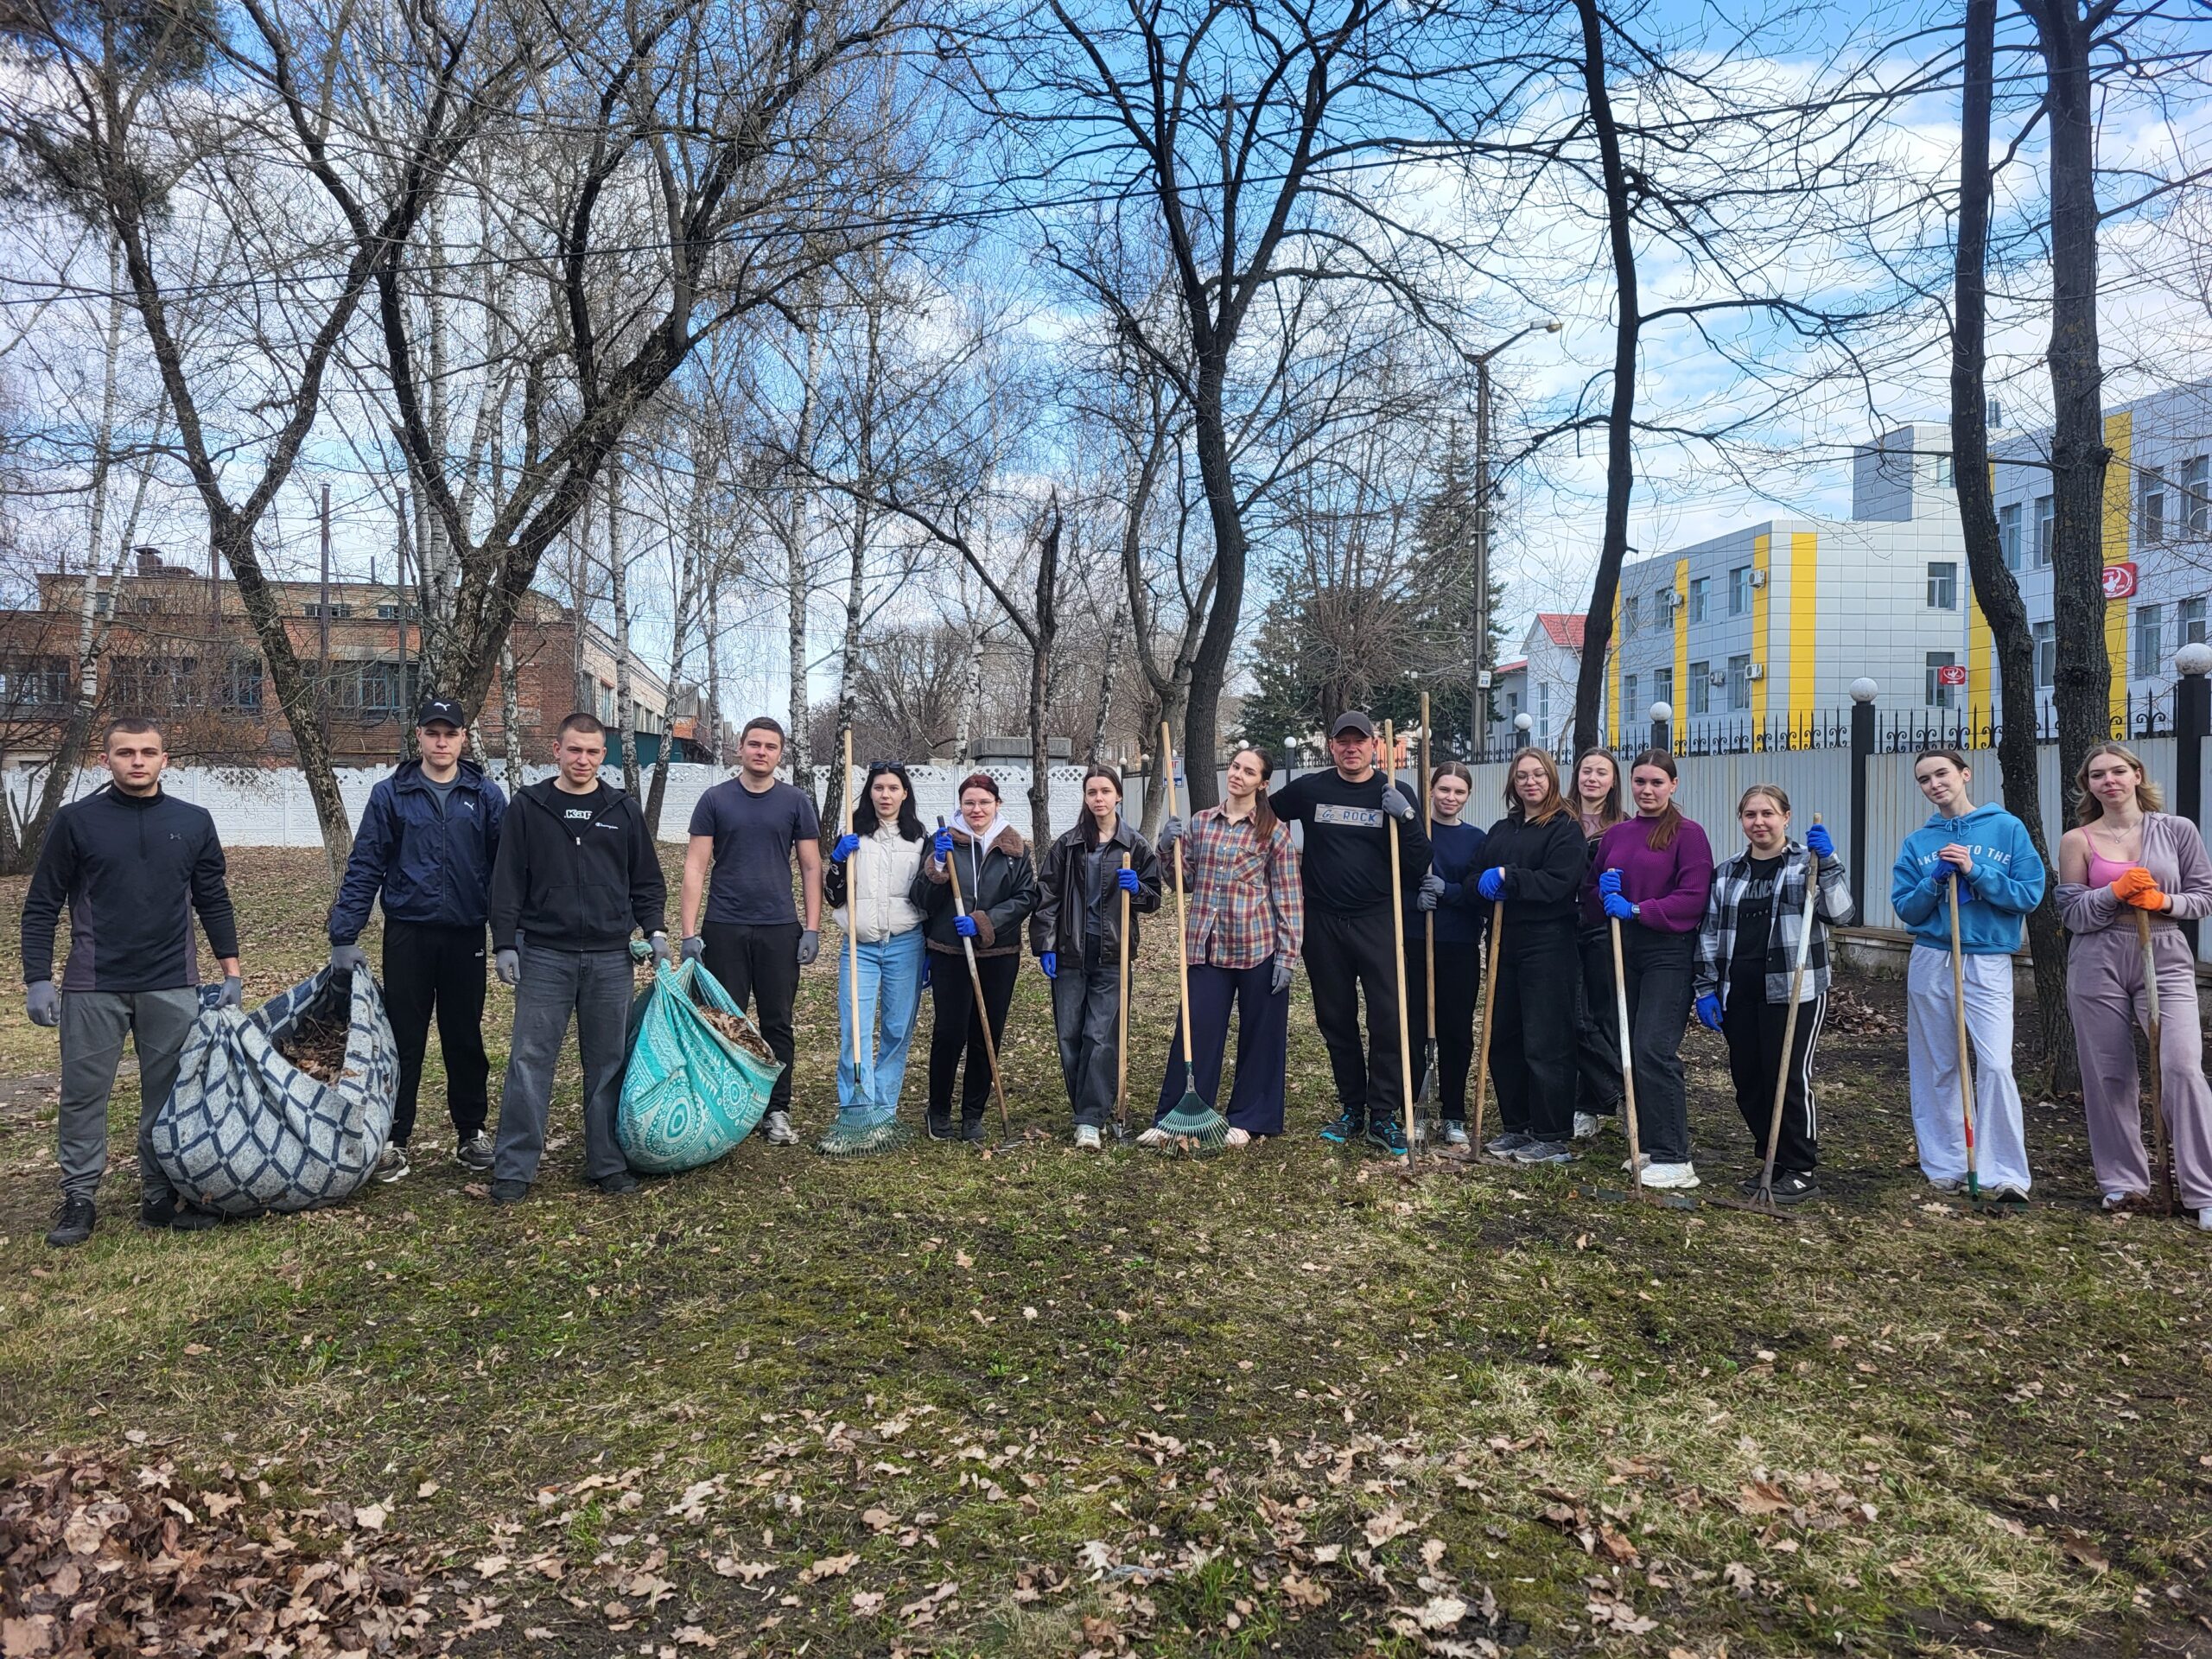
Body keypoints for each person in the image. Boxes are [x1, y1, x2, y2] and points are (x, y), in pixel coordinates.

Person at [22, 716, 243, 1247]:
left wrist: (230, 969)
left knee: (165, 1096)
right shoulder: (77, 821)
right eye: (125, 753)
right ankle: (79, 1198)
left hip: (171, 982)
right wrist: (38, 979)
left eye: (148, 752)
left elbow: (212, 898)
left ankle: (158, 1195)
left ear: (166, 759)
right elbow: (42, 904)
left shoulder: (193, 821)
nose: (137, 761)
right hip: (93, 983)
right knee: (83, 1095)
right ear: (106, 760)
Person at [486, 713, 668, 1201]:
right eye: (574, 750)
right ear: (557, 749)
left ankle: (606, 1162)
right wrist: (505, 941)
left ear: (603, 754)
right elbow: (506, 881)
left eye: (592, 752)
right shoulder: (529, 807)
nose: (583, 760)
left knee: (607, 1063)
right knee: (530, 1061)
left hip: (611, 958)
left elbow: (646, 881)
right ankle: (514, 1168)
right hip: (545, 956)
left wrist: (655, 930)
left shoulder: (622, 809)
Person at [327, 696, 506, 1182]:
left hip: (465, 933)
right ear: (419, 737)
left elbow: (504, 872)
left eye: (450, 732)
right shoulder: (391, 795)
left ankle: (471, 1133)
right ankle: (393, 1137)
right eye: (433, 732)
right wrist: (344, 933)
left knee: (464, 1036)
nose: (441, 741)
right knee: (404, 1037)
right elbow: (365, 864)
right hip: (408, 933)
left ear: (463, 738)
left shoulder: (485, 796)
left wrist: (510, 936)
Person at [2054, 742, 2212, 1226]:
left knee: (2181, 1065)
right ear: (2088, 785)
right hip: (2097, 955)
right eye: (2098, 775)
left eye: (2119, 771)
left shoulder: (2177, 830)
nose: (2110, 780)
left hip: (2162, 949)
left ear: (2138, 774)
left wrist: (2163, 902)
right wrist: (2112, 893)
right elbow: (2072, 913)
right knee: (2109, 1073)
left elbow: (2203, 896)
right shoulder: (2077, 840)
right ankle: (2123, 1182)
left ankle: (2202, 1189)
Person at [1270, 711, 1429, 1158]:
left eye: (1360, 740)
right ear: (1331, 744)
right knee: (1335, 1018)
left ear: (1375, 744)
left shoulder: (1395, 792)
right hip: (1322, 922)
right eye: (1343, 741)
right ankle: (1352, 1108)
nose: (1351, 748)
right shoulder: (1311, 789)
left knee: (1387, 1017)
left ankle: (1383, 1113)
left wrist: (1409, 817)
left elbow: (1419, 860)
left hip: (1378, 919)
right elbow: (1261, 816)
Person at [1890, 747, 2045, 1202]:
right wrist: (1934, 879)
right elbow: (1906, 909)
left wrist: (1976, 871)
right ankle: (1947, 1162)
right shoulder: (1919, 842)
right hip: (1933, 956)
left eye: (1942, 774)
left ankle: (2006, 1171)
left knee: (1995, 1063)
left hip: (1986, 957)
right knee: (1939, 1063)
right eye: (1924, 779)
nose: (1935, 784)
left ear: (1964, 774)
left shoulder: (2006, 828)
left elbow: (2029, 895)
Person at [1693, 785, 1853, 1202]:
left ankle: (1800, 1168)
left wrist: (1830, 862)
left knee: (1787, 1077)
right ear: (1741, 820)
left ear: (1786, 816)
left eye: (1768, 814)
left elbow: (1842, 915)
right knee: (1749, 1080)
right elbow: (1709, 933)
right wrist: (1706, 988)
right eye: (1750, 815)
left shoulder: (1809, 864)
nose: (1759, 822)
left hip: (1795, 989)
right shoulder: (1728, 871)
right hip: (1739, 991)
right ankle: (1771, 1159)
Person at [679, 716, 823, 1147]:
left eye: (771, 746)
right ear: (740, 748)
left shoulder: (796, 801)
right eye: (754, 744)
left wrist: (811, 928)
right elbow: (694, 867)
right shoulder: (715, 800)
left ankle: (777, 1110)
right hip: (725, 926)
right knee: (726, 1021)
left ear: (781, 754)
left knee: (778, 1023)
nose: (762, 752)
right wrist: (689, 934)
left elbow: (811, 866)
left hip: (780, 928)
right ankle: (731, 1108)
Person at [1148, 746, 1302, 1147]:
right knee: (1195, 1030)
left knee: (1261, 1034)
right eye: (1235, 767)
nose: (1238, 775)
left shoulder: (1274, 832)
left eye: (1249, 772)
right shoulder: (1200, 823)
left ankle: (1250, 1117)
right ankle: (1177, 1115)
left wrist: (1287, 956)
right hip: (1206, 945)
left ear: (1262, 783)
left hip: (1257, 947)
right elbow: (1183, 882)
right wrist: (1167, 848)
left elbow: (1288, 897)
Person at [1592, 749, 1713, 1189]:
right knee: (1629, 1047)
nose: (1647, 790)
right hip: (1624, 950)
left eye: (1656, 783)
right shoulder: (1617, 834)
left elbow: (1694, 897)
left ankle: (1675, 1156)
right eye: (1640, 782)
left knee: (1653, 1048)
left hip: (1668, 951)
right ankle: (1645, 1147)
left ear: (1673, 786)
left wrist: (1638, 907)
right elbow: (1592, 896)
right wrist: (1600, 891)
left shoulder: (1688, 834)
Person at [1033, 766, 1162, 1149]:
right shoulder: (1068, 845)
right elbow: (1047, 897)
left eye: (1106, 791)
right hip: (1071, 952)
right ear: (1086, 798)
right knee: (1069, 1034)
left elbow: (1153, 897)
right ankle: (1088, 1109)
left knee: (1100, 1035)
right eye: (1092, 792)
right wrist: (1045, 945)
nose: (1099, 798)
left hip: (1112, 954)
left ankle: (1090, 1117)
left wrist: (1137, 887)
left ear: (1118, 796)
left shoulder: (1134, 846)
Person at [1469, 749, 1586, 1163]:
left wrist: (1509, 878)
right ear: (1513, 784)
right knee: (1504, 1036)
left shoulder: (1564, 828)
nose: (1530, 782)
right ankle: (1516, 1126)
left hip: (1549, 942)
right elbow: (1475, 874)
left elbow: (1559, 882)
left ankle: (1551, 1131)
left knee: (1546, 1038)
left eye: (1538, 774)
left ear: (1551, 779)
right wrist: (1481, 885)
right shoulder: (1502, 830)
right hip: (1504, 943)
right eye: (1522, 776)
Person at [912, 773, 1037, 1141]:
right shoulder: (943, 841)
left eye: (984, 802)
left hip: (999, 953)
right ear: (960, 805)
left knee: (986, 1033)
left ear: (997, 804)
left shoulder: (1015, 847)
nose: (976, 809)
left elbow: (1026, 897)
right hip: (950, 951)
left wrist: (984, 921)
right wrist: (935, 870)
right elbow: (921, 899)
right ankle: (938, 1111)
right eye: (969, 802)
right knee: (949, 1033)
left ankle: (973, 1113)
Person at [822, 762, 930, 1150]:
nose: (886, 795)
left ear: (905, 794)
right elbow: (833, 895)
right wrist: (836, 859)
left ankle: (883, 1113)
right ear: (869, 792)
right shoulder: (852, 834)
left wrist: (930, 950)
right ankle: (856, 1113)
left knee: (897, 1030)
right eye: (879, 788)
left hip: (905, 943)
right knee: (856, 1029)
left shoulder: (920, 839)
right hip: (860, 946)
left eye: (893, 788)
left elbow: (928, 896)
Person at [1403, 761, 1486, 1147]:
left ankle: (1453, 1111)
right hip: (1417, 942)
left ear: (1467, 796)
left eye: (1458, 792)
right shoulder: (1416, 834)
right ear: (1431, 790)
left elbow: (1478, 893)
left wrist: (1449, 892)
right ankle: (1416, 1109)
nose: (1450, 797)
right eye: (1444, 789)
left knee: (1455, 1031)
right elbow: (1394, 880)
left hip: (1459, 946)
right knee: (1415, 1026)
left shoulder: (1476, 840)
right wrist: (1413, 902)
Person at [1570, 748, 1627, 1141]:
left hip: (1603, 929)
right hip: (1560, 926)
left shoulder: (1623, 827)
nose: (1592, 778)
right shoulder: (1559, 819)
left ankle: (1595, 1102)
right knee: (1573, 1017)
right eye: (1586, 771)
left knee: (1601, 1015)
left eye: (1601, 772)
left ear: (1612, 781)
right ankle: (1617, 1093)